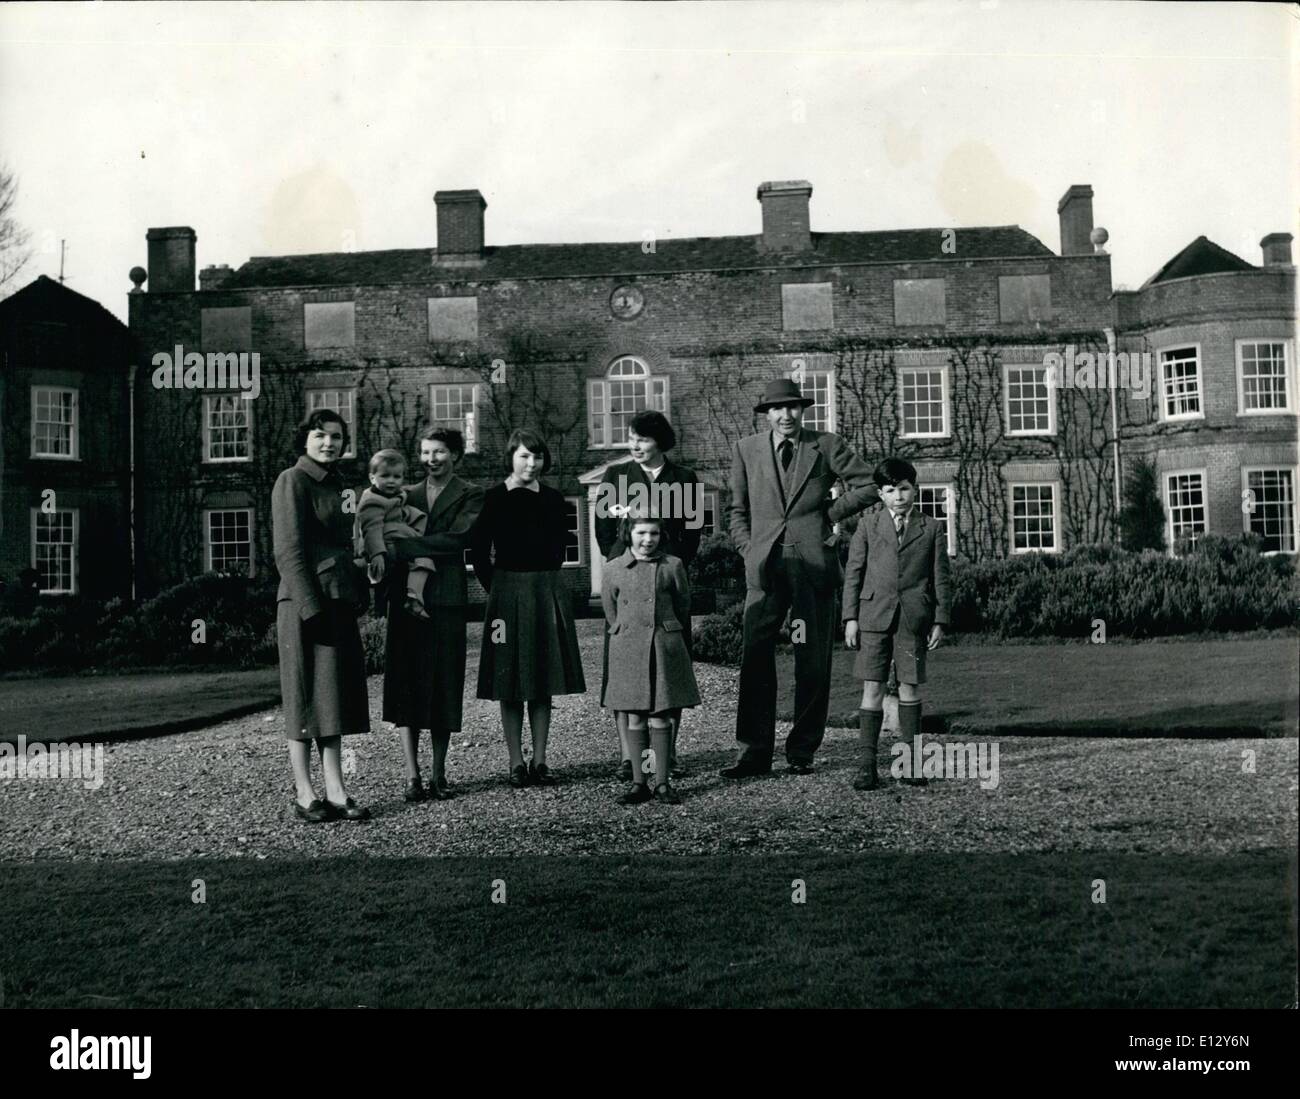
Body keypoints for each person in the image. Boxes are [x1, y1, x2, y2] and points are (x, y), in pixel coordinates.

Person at [722, 378, 879, 779]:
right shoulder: (746, 449)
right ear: (766, 414)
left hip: (811, 566)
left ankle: (802, 750)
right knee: (755, 658)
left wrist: (829, 515)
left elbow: (870, 484)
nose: (785, 415)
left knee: (810, 657)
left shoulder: (825, 445)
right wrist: (747, 548)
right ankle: (754, 752)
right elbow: (736, 510)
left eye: (792, 407)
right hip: (766, 568)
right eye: (776, 408)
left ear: (802, 410)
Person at [469, 429, 586, 788]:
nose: (531, 464)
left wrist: (548, 585)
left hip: (545, 590)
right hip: (506, 592)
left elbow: (558, 545)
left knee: (542, 677)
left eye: (536, 457)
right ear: (511, 458)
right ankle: (515, 761)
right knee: (509, 679)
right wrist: (500, 589)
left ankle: (540, 759)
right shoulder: (493, 499)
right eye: (523, 456)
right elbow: (477, 550)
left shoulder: (553, 499)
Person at [272, 409, 371, 823]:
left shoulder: (338, 486)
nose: (329, 442)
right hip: (304, 606)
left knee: (333, 699)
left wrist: (359, 587)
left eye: (336, 436)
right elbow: (288, 552)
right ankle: (304, 792)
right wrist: (312, 611)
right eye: (320, 435)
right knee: (303, 697)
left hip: (338, 600)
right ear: (305, 439)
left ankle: (335, 789)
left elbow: (346, 548)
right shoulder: (292, 480)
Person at [593, 409, 703, 782]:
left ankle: (667, 755)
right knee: (627, 677)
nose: (635, 445)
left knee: (669, 678)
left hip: (667, 589)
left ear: (660, 441)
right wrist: (623, 568)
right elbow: (604, 532)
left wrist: (668, 569)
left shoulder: (685, 480)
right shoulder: (616, 477)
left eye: (642, 438)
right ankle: (630, 756)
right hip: (628, 585)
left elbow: (692, 537)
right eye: (631, 438)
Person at [381, 428, 485, 803]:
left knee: (443, 686)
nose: (432, 459)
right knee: (407, 687)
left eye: (439, 452)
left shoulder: (471, 493)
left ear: (455, 454)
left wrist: (405, 543)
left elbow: (460, 539)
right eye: (426, 453)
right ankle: (412, 776)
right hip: (408, 599)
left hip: (447, 600)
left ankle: (440, 773)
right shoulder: (403, 493)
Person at [842, 457, 952, 789]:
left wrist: (940, 620)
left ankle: (912, 763)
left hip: (913, 619)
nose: (898, 496)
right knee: (872, 686)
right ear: (880, 494)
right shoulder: (868, 525)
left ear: (914, 490)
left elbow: (941, 579)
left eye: (904, 489)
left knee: (909, 686)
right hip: (873, 616)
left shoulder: (931, 528)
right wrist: (850, 618)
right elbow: (854, 574)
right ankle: (867, 765)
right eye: (890, 490)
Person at [601, 513, 700, 805]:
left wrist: (668, 634)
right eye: (641, 533)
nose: (647, 540)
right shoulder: (613, 569)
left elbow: (683, 605)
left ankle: (662, 782)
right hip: (629, 648)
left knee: (661, 715)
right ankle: (639, 782)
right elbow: (610, 610)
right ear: (628, 533)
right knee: (635, 715)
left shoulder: (673, 566)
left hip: (662, 645)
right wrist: (625, 630)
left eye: (654, 534)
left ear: (661, 536)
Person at [355, 448, 437, 620]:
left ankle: (414, 596)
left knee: (424, 561)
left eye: (397, 476)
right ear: (372, 478)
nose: (391, 481)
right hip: (382, 545)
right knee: (421, 560)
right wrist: (377, 554)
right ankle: (412, 599)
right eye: (385, 476)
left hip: (394, 540)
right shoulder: (372, 500)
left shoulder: (397, 495)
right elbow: (371, 528)